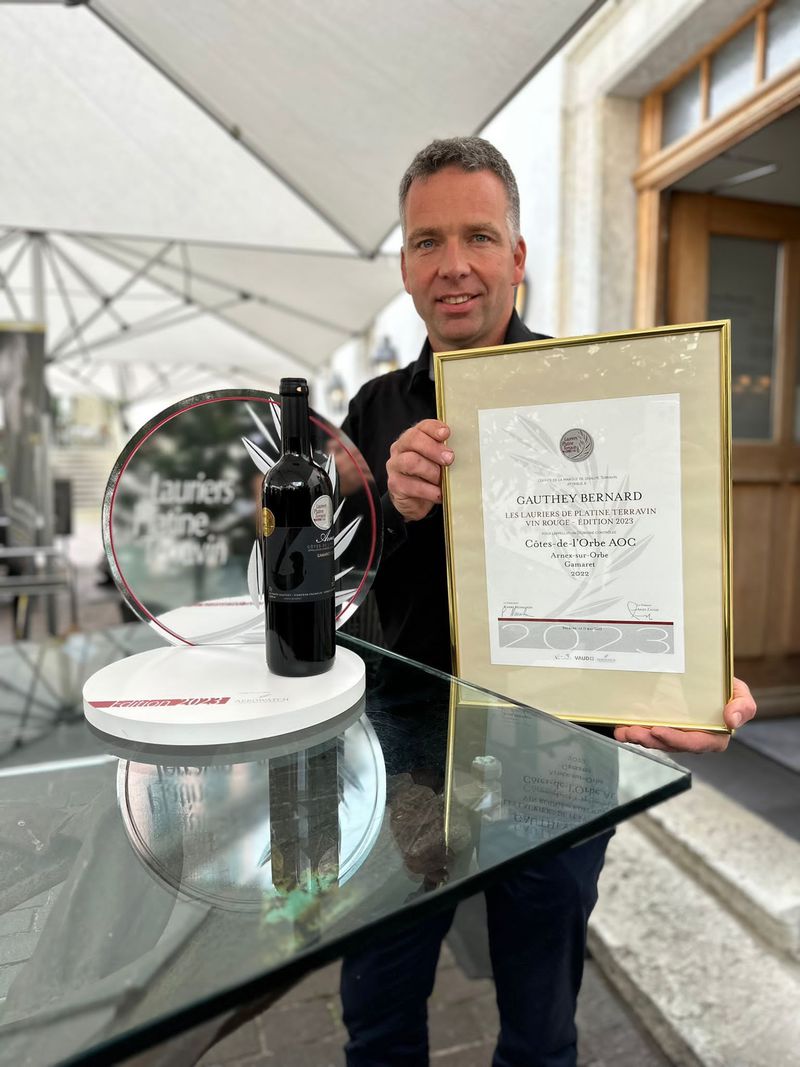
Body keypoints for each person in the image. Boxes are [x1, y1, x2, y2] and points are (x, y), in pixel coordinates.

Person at [340, 137, 756, 1066]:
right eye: (426, 241)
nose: (454, 264)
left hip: (553, 755)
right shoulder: (370, 412)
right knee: (377, 1013)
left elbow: (644, 550)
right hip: (402, 757)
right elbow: (334, 596)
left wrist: (682, 669)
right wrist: (395, 516)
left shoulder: (593, 392)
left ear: (518, 256)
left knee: (541, 1024)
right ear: (404, 264)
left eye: (480, 236)